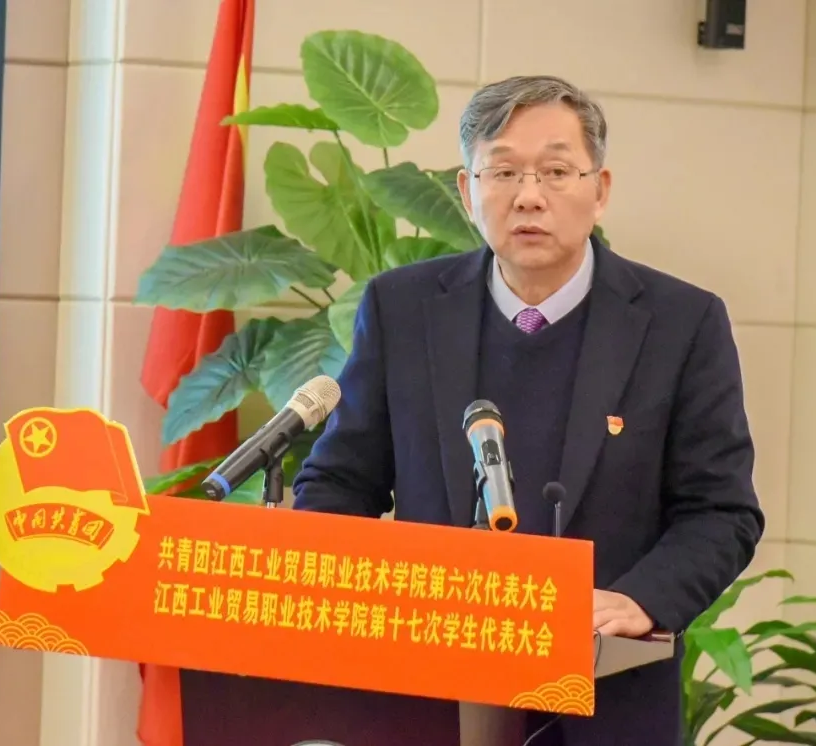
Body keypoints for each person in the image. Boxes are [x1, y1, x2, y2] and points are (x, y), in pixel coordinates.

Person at [292, 74, 765, 746]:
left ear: (600, 190)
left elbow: (721, 510)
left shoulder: (680, 323)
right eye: (504, 172)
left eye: (557, 171)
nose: (530, 196)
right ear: (467, 192)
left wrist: (641, 600)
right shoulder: (403, 309)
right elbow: (340, 481)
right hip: (426, 696)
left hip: (606, 701)